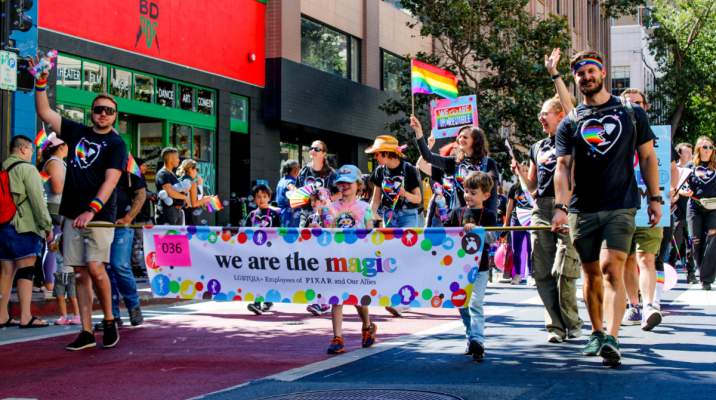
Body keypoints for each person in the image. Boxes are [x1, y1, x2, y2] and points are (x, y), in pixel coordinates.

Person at [551, 50, 662, 366]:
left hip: (621, 204)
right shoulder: (570, 122)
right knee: (590, 274)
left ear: (603, 73)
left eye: (591, 71)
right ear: (575, 80)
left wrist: (654, 198)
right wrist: (560, 207)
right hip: (582, 209)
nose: (586, 77)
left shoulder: (631, 112)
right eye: (580, 74)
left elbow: (648, 158)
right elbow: (562, 166)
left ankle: (612, 338)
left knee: (611, 267)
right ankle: (597, 331)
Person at [33, 54, 130, 350]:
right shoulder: (76, 132)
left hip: (99, 214)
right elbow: (46, 112)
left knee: (95, 267)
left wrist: (92, 209)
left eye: (109, 111)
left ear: (115, 116)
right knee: (78, 272)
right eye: (99, 109)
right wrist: (41, 81)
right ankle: (86, 332)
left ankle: (110, 319)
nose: (103, 114)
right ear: (92, 112)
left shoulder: (116, 143)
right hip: (72, 213)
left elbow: (110, 181)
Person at [510, 92, 583, 342]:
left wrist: (555, 73)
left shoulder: (573, 139)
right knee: (541, 270)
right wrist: (520, 173)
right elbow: (532, 188)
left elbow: (573, 109)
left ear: (560, 116)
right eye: (540, 114)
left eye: (545, 113)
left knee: (564, 269)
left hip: (569, 207)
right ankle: (555, 326)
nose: (541, 117)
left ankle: (572, 322)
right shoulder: (537, 147)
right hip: (541, 209)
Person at [619, 88, 677, 330]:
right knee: (627, 259)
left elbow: (671, 167)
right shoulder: (615, 135)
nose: (634, 106)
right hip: (621, 205)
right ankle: (634, 305)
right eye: (628, 103)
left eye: (638, 103)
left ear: (646, 106)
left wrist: (671, 188)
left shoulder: (659, 138)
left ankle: (650, 305)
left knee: (647, 257)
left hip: (650, 205)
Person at [321, 165, 376, 354]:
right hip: (337, 259)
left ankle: (367, 326)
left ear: (359, 185)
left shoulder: (364, 206)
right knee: (336, 299)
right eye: (340, 183)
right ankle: (337, 337)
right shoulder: (332, 207)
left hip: (357, 260)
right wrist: (319, 222)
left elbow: (370, 231)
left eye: (348, 182)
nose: (344, 186)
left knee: (358, 300)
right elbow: (327, 229)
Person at [0, 136, 54, 329]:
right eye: (31, 149)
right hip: (23, 226)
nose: (32, 153)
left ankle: (2, 315)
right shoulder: (27, 169)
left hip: (3, 226)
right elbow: (38, 201)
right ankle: (25, 316)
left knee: (6, 272)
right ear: (23, 150)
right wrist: (47, 226)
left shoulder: (3, 168)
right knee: (26, 271)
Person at [444, 171, 498, 360]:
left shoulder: (489, 215)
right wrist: (439, 213)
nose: (468, 196)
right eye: (466, 191)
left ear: (485, 196)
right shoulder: (456, 212)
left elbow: (493, 238)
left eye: (473, 193)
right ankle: (471, 339)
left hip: (480, 267)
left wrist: (478, 231)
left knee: (475, 302)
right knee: (463, 304)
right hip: (457, 268)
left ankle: (478, 340)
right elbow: (444, 234)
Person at [94, 166, 148, 331]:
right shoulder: (95, 159)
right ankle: (112, 315)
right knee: (105, 268)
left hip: (120, 224)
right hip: (99, 221)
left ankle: (133, 306)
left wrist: (128, 217)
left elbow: (141, 192)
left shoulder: (129, 163)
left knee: (119, 265)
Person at [410, 117, 499, 214]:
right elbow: (428, 157)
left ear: (476, 140)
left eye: (465, 137)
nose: (461, 140)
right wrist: (419, 133)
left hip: (481, 216)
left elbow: (493, 195)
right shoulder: (455, 162)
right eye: (459, 137)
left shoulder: (489, 163)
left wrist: (491, 220)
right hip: (458, 216)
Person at [681, 136, 716, 290]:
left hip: (713, 208)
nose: (707, 150)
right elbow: (679, 185)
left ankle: (707, 279)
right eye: (704, 147)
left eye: (710, 147)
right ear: (698, 149)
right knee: (696, 241)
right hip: (695, 206)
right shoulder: (690, 167)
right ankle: (701, 269)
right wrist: (685, 192)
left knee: (712, 239)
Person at [366, 135, 422, 229]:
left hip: (408, 216)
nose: (375, 157)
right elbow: (376, 199)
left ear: (386, 153)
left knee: (406, 243)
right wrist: (368, 218)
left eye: (376, 154)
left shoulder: (408, 168)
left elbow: (418, 198)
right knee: (390, 244)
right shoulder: (380, 170)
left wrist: (405, 194)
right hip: (388, 216)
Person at [243, 184, 281, 314]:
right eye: (258, 197)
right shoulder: (252, 215)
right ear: (253, 199)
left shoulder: (275, 214)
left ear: (269, 198)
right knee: (256, 276)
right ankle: (257, 302)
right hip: (256, 251)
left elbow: (279, 233)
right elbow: (246, 233)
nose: (261, 199)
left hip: (270, 251)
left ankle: (268, 301)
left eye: (264, 196)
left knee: (268, 276)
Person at [38, 136, 68, 298]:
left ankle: (49, 284)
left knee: (52, 246)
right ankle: (49, 285)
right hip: (55, 210)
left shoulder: (55, 162)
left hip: (56, 209)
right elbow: (57, 188)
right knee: (52, 246)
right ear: (61, 146)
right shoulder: (55, 163)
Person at [417, 137, 458, 227]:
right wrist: (429, 146)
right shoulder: (442, 170)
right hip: (441, 211)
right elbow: (420, 165)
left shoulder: (468, 170)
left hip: (460, 212)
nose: (455, 158)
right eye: (452, 155)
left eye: (459, 156)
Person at [296, 141, 339, 227]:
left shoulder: (331, 173)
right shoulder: (304, 171)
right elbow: (298, 189)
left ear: (324, 153)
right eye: (311, 149)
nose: (313, 151)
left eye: (316, 149)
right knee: (304, 239)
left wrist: (326, 198)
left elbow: (340, 193)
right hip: (305, 214)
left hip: (324, 215)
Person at [671, 143, 696, 283]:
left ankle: (691, 274)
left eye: (691, 152)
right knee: (675, 247)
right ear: (679, 153)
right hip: (678, 214)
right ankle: (669, 272)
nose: (690, 156)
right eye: (687, 152)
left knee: (690, 245)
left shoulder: (694, 171)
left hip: (690, 214)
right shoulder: (676, 171)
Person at [505, 163, 533, 285]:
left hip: (531, 221)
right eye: (522, 170)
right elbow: (510, 206)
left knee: (531, 249)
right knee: (516, 249)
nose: (524, 173)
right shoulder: (514, 188)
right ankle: (517, 275)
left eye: (527, 171)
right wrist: (506, 223)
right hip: (516, 221)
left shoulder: (534, 187)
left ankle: (532, 274)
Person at [155, 147, 189, 226]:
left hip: (176, 211)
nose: (179, 160)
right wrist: (185, 197)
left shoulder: (171, 174)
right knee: (168, 238)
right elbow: (170, 192)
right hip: (168, 212)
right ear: (170, 159)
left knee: (177, 238)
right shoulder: (163, 173)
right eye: (177, 158)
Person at [131, 158, 152, 277]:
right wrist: (153, 195)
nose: (145, 168)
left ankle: (145, 265)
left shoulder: (141, 178)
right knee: (137, 242)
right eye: (143, 166)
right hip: (138, 217)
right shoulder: (135, 178)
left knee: (146, 242)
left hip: (146, 216)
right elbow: (143, 193)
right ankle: (135, 266)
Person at [177, 159, 210, 226]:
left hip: (181, 213)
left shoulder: (179, 180)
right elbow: (194, 204)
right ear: (190, 169)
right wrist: (205, 199)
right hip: (191, 214)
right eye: (196, 169)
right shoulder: (192, 183)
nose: (197, 172)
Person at [52, 250, 80, 325]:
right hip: (59, 273)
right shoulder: (58, 238)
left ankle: (77, 316)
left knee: (72, 296)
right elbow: (52, 250)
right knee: (59, 295)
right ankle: (64, 316)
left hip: (71, 273)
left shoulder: (71, 240)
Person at [277, 159, 300, 227]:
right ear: (295, 169)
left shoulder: (281, 180)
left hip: (281, 215)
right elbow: (295, 200)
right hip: (290, 216)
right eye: (299, 167)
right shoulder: (291, 182)